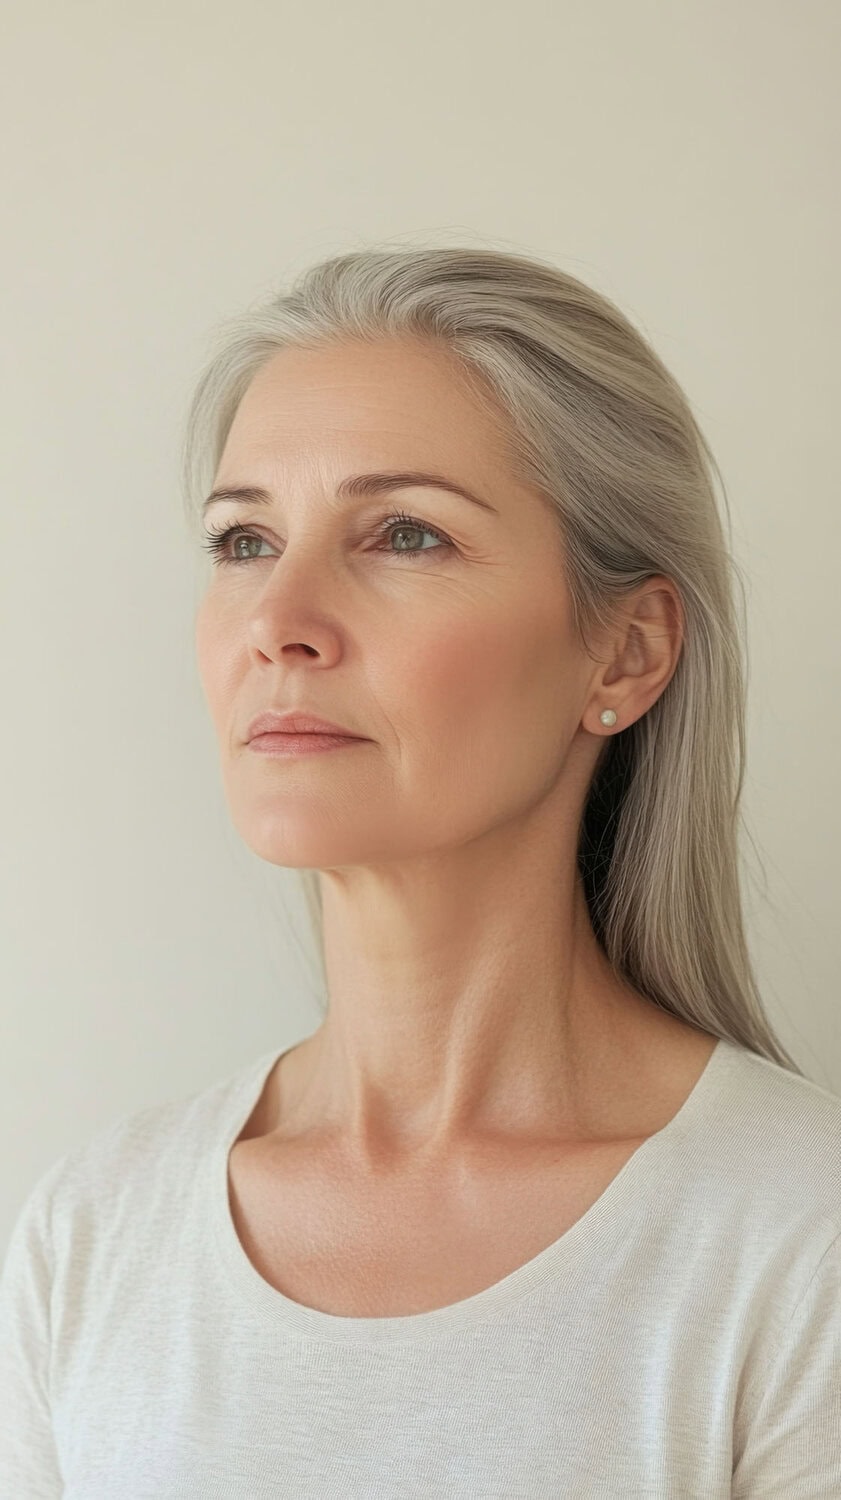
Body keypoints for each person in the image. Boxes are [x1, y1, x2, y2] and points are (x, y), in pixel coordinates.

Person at [2, 245, 839, 1496]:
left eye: (402, 533)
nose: (280, 619)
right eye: (242, 540)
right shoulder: (89, 1237)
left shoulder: (797, 1246)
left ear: (624, 652)